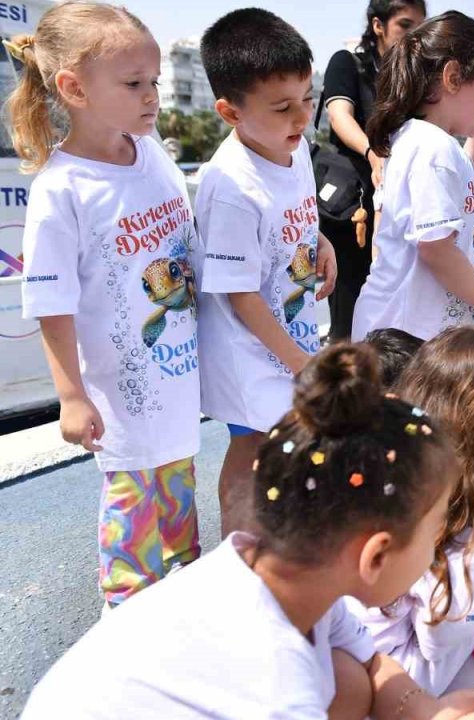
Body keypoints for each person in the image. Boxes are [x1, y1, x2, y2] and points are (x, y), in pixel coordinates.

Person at [23, 343, 474, 719]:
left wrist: (425, 713)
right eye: (433, 530)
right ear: (376, 556)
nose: (440, 544)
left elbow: (377, 664)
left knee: (344, 679)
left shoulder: (270, 573)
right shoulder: (275, 687)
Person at [9, 3, 204, 609]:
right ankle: (127, 655)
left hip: (178, 394)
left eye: (154, 83)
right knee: (133, 560)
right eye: (133, 84)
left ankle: (181, 639)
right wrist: (70, 394)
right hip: (122, 407)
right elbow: (51, 304)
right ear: (74, 89)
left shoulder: (154, 155)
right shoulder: (60, 189)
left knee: (183, 544)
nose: (151, 96)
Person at [194, 9, 338, 537]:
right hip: (248, 349)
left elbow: (296, 213)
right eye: (282, 107)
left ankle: (274, 543)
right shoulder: (230, 186)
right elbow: (240, 297)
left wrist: (320, 241)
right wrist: (298, 360)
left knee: (286, 445)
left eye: (308, 98)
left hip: (287, 335)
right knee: (252, 446)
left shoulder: (291, 146)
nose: (302, 117)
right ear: (231, 113)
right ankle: (239, 551)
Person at [351, 327, 474, 696]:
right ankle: (445, 705)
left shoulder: (378, 453)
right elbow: (441, 636)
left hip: (333, 652)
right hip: (387, 680)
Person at [352, 11, 474, 343]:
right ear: (453, 77)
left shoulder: (428, 141)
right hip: (402, 338)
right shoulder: (432, 147)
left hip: (412, 333)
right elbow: (436, 249)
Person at [319, 0, 427, 340]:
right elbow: (339, 116)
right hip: (354, 206)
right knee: (348, 314)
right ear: (378, 25)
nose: (415, 38)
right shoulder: (347, 62)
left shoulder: (416, 79)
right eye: (405, 26)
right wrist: (372, 154)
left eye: (421, 29)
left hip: (401, 204)